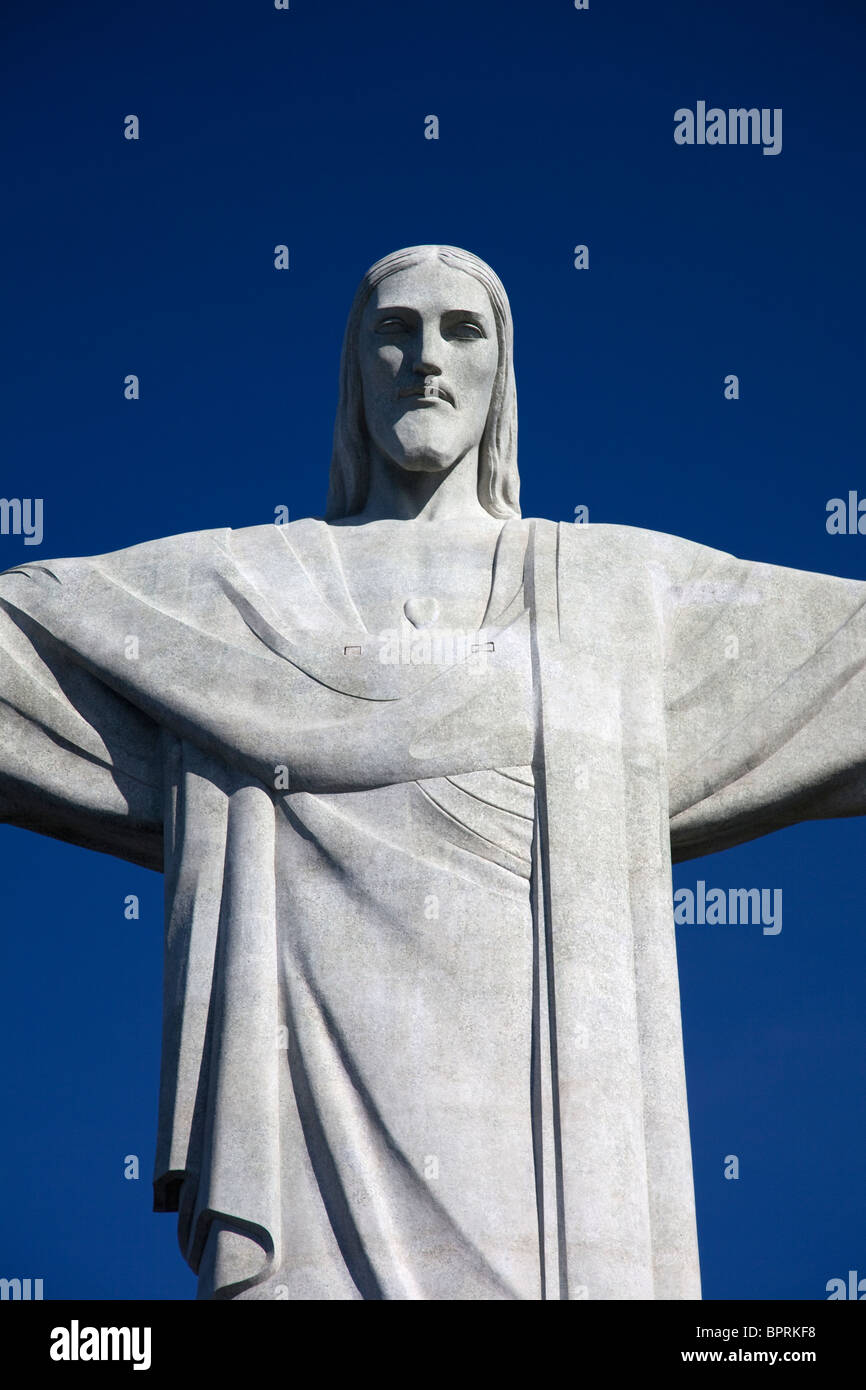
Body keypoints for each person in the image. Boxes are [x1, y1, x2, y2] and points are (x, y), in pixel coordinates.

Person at [1, 245, 864, 1300]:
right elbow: (25, 640)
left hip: (551, 1168)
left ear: (502, 375)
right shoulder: (238, 591)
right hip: (304, 1161)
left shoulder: (609, 593)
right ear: (353, 369)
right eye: (392, 330)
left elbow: (846, 655)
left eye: (462, 330)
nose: (424, 359)